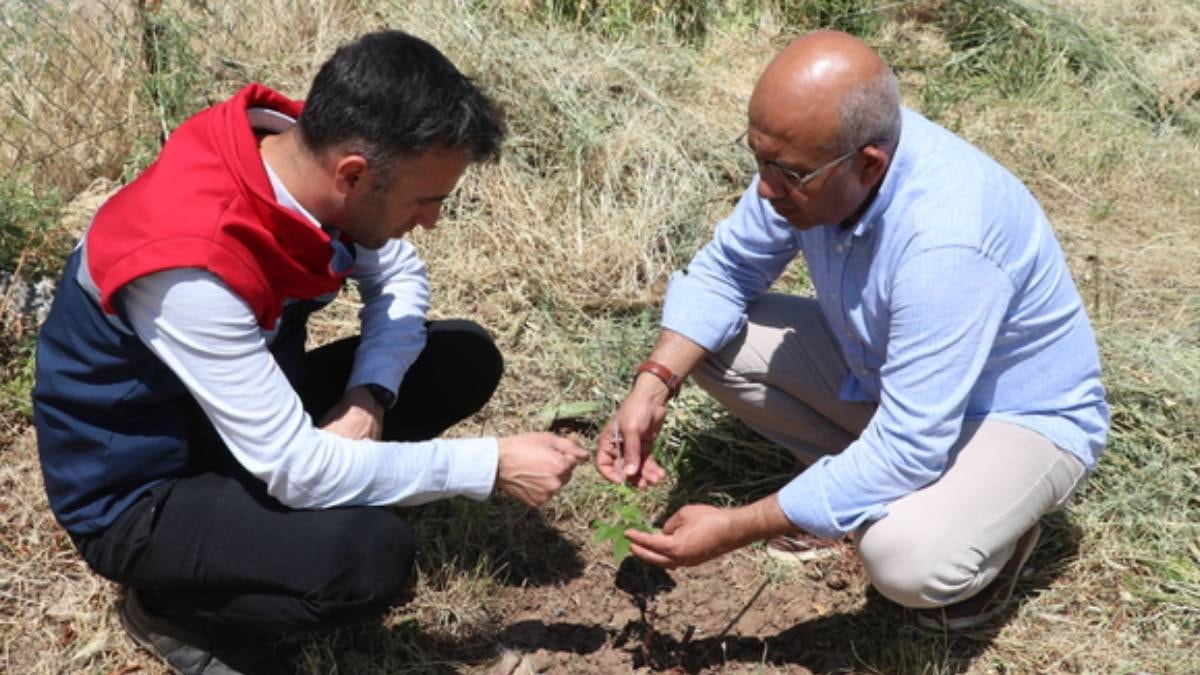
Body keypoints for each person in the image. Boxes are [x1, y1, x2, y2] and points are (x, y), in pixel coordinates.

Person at [32, 30, 587, 674]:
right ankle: (172, 607)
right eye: (425, 200)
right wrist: (486, 464)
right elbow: (298, 469)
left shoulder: (298, 157)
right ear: (352, 176)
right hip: (140, 490)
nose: (431, 220)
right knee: (367, 558)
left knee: (461, 357)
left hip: (228, 413)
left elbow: (398, 275)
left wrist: (367, 395)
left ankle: (263, 530)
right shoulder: (192, 267)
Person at [596, 30, 1108, 630]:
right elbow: (727, 271)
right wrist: (652, 385)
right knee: (709, 344)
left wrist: (738, 527)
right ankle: (850, 496)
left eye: (786, 173)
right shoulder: (817, 155)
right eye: (758, 160)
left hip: (1013, 417)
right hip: (896, 379)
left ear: (869, 165)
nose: (765, 189)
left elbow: (912, 441)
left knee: (907, 561)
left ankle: (990, 540)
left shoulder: (947, 239)